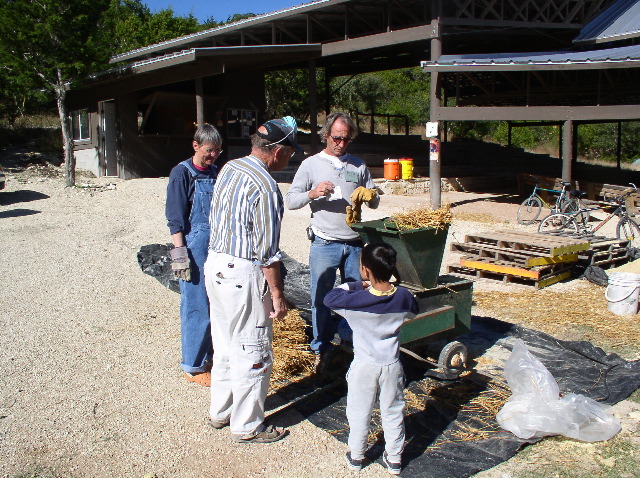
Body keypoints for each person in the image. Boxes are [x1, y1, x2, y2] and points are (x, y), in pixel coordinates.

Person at [203, 116, 302, 443]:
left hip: (215, 264)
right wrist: (277, 294)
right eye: (291, 153)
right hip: (242, 274)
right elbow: (268, 253)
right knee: (253, 348)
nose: (290, 159)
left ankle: (221, 411)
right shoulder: (266, 187)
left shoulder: (230, 168)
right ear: (279, 152)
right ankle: (247, 425)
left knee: (226, 344)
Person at [285, 112, 379, 366]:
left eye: (346, 140)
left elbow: (376, 199)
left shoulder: (358, 166)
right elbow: (291, 200)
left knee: (355, 297)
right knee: (321, 297)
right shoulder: (311, 165)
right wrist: (313, 193)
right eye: (336, 138)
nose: (341, 144)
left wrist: (371, 196)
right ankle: (321, 346)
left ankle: (351, 342)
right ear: (325, 135)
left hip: (355, 243)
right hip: (324, 243)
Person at [323, 243, 418, 475]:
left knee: (359, 410)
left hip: (364, 364)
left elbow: (330, 298)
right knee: (393, 409)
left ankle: (356, 456)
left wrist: (357, 285)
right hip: (392, 364)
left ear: (365, 270)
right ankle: (394, 459)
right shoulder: (404, 297)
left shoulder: (354, 302)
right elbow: (413, 310)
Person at [165, 124, 223, 387]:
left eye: (217, 151)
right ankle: (193, 365)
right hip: (193, 245)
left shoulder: (214, 172)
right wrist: (180, 256)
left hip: (216, 244)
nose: (213, 156)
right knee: (196, 304)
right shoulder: (182, 173)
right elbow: (175, 219)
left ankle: (210, 354)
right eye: (209, 150)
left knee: (215, 302)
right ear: (195, 145)